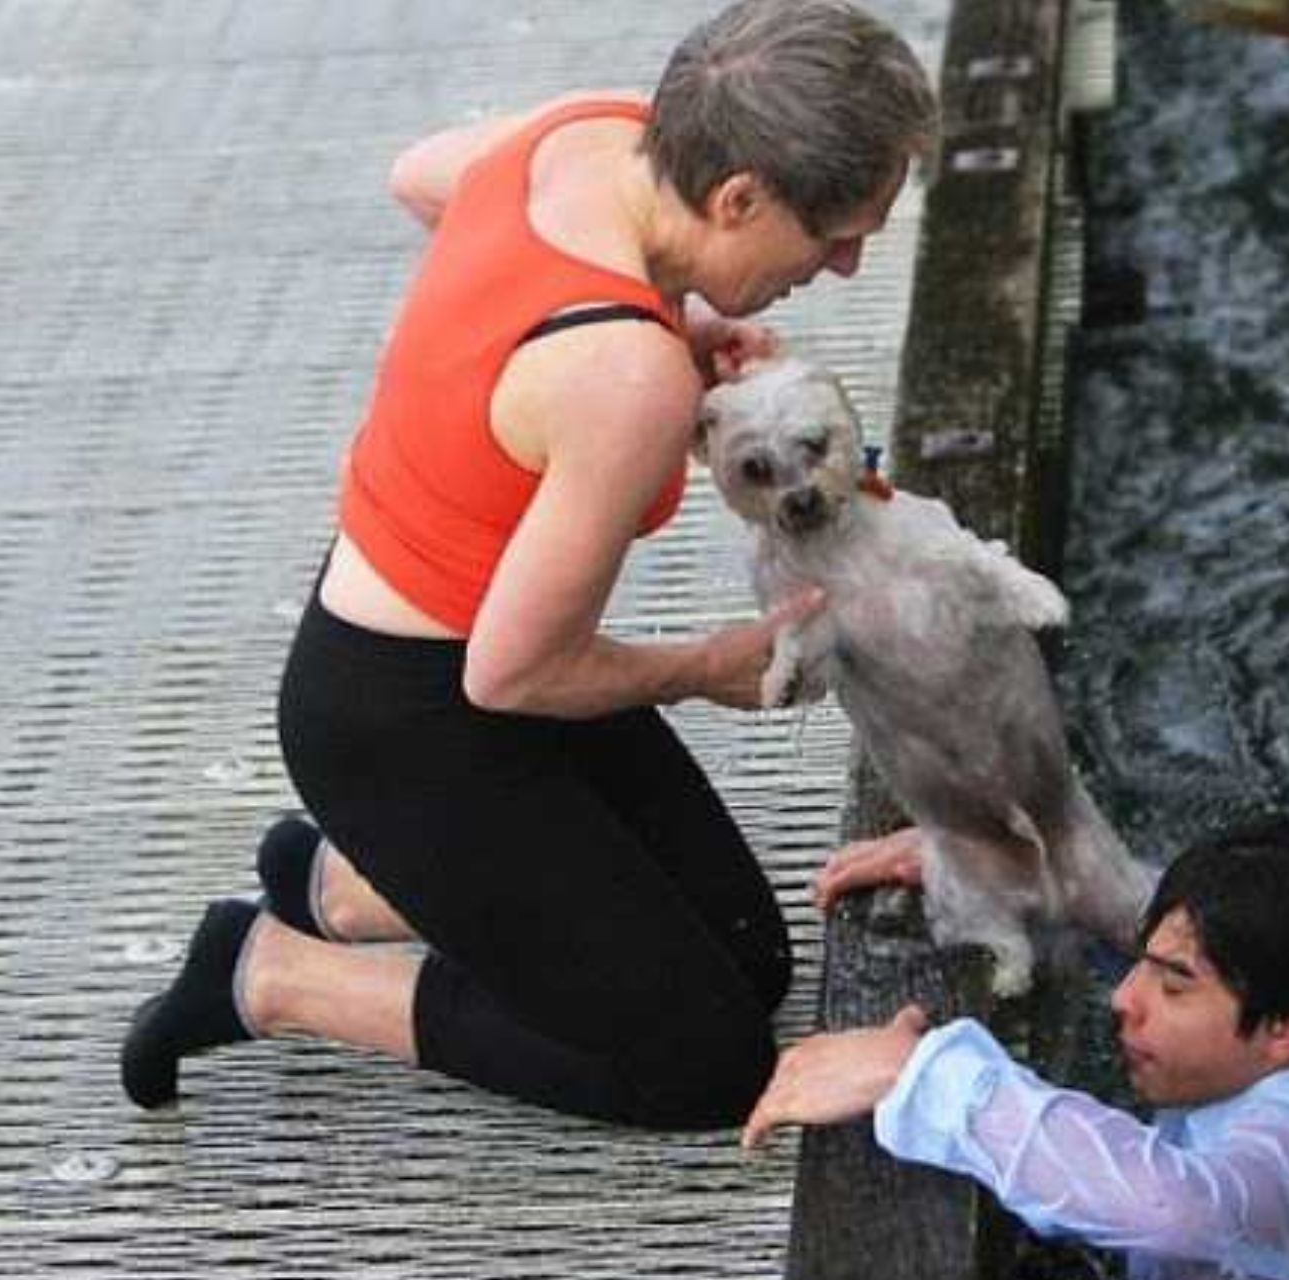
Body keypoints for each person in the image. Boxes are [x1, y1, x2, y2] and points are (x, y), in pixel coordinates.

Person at [119, 0, 938, 1130]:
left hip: (461, 642)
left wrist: (646, 318)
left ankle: (346, 887)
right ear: (738, 197)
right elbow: (510, 677)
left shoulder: (591, 134)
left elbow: (423, 176)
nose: (845, 266)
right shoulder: (628, 378)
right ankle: (269, 968)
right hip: (400, 720)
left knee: (748, 960)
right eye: (836, 234)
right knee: (707, 1066)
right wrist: (711, 663)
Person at [744, 817, 1289, 1279]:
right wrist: (1005, 873)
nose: (1124, 998)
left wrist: (919, 1074)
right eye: (1144, 964)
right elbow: (1153, 925)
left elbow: (1172, 1208)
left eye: (1174, 986)